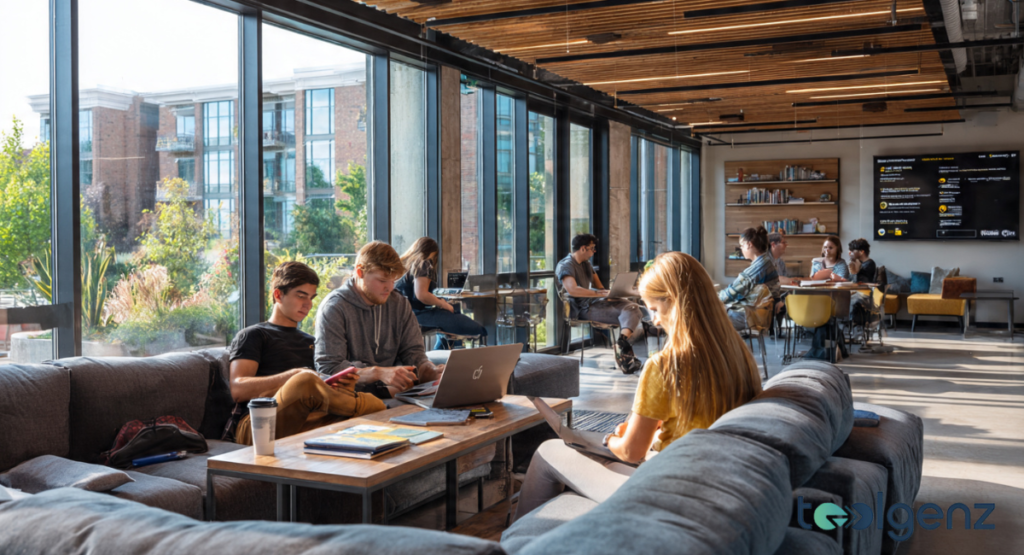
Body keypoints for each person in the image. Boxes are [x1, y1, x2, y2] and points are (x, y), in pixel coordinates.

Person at [514, 252, 763, 521]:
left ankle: (517, 542)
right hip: (714, 479)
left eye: (655, 309)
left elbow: (633, 452)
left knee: (549, 451)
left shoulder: (666, 365)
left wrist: (611, 440)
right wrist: (657, 434)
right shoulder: (739, 354)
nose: (654, 320)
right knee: (596, 455)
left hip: (669, 488)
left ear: (676, 303)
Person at [226, 261, 386, 444]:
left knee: (367, 401)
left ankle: (353, 405)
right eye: (301, 296)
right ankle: (358, 405)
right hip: (259, 425)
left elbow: (317, 392)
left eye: (311, 298)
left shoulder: (311, 341)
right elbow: (238, 389)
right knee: (306, 381)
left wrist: (341, 386)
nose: (308, 305)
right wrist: (295, 376)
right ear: (278, 295)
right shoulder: (253, 335)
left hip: (307, 420)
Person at [315, 241, 445, 399]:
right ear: (360, 272)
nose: (389, 288)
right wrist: (377, 373)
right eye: (383, 281)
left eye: (393, 280)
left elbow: (414, 353)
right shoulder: (335, 307)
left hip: (395, 394)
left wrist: (430, 371)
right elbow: (329, 368)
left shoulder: (399, 303)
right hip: (352, 398)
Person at [556, 233, 644, 374]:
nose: (594, 252)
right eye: (592, 248)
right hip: (583, 308)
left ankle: (622, 342)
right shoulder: (566, 265)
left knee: (633, 307)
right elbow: (572, 290)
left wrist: (613, 293)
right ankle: (624, 351)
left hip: (597, 302)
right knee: (630, 313)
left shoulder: (586, 263)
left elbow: (600, 287)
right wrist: (599, 294)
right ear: (583, 248)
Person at [395, 236, 487, 349]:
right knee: (475, 327)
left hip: (404, 314)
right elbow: (421, 295)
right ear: (433, 253)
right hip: (416, 315)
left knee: (447, 326)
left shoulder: (405, 265)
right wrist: (443, 304)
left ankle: (441, 358)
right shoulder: (424, 264)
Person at [719, 226, 781, 330]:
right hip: (761, 315)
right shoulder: (766, 263)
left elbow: (731, 293)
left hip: (751, 317)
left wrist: (711, 296)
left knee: (706, 316)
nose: (741, 249)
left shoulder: (758, 268)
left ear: (749, 244)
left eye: (742, 245)